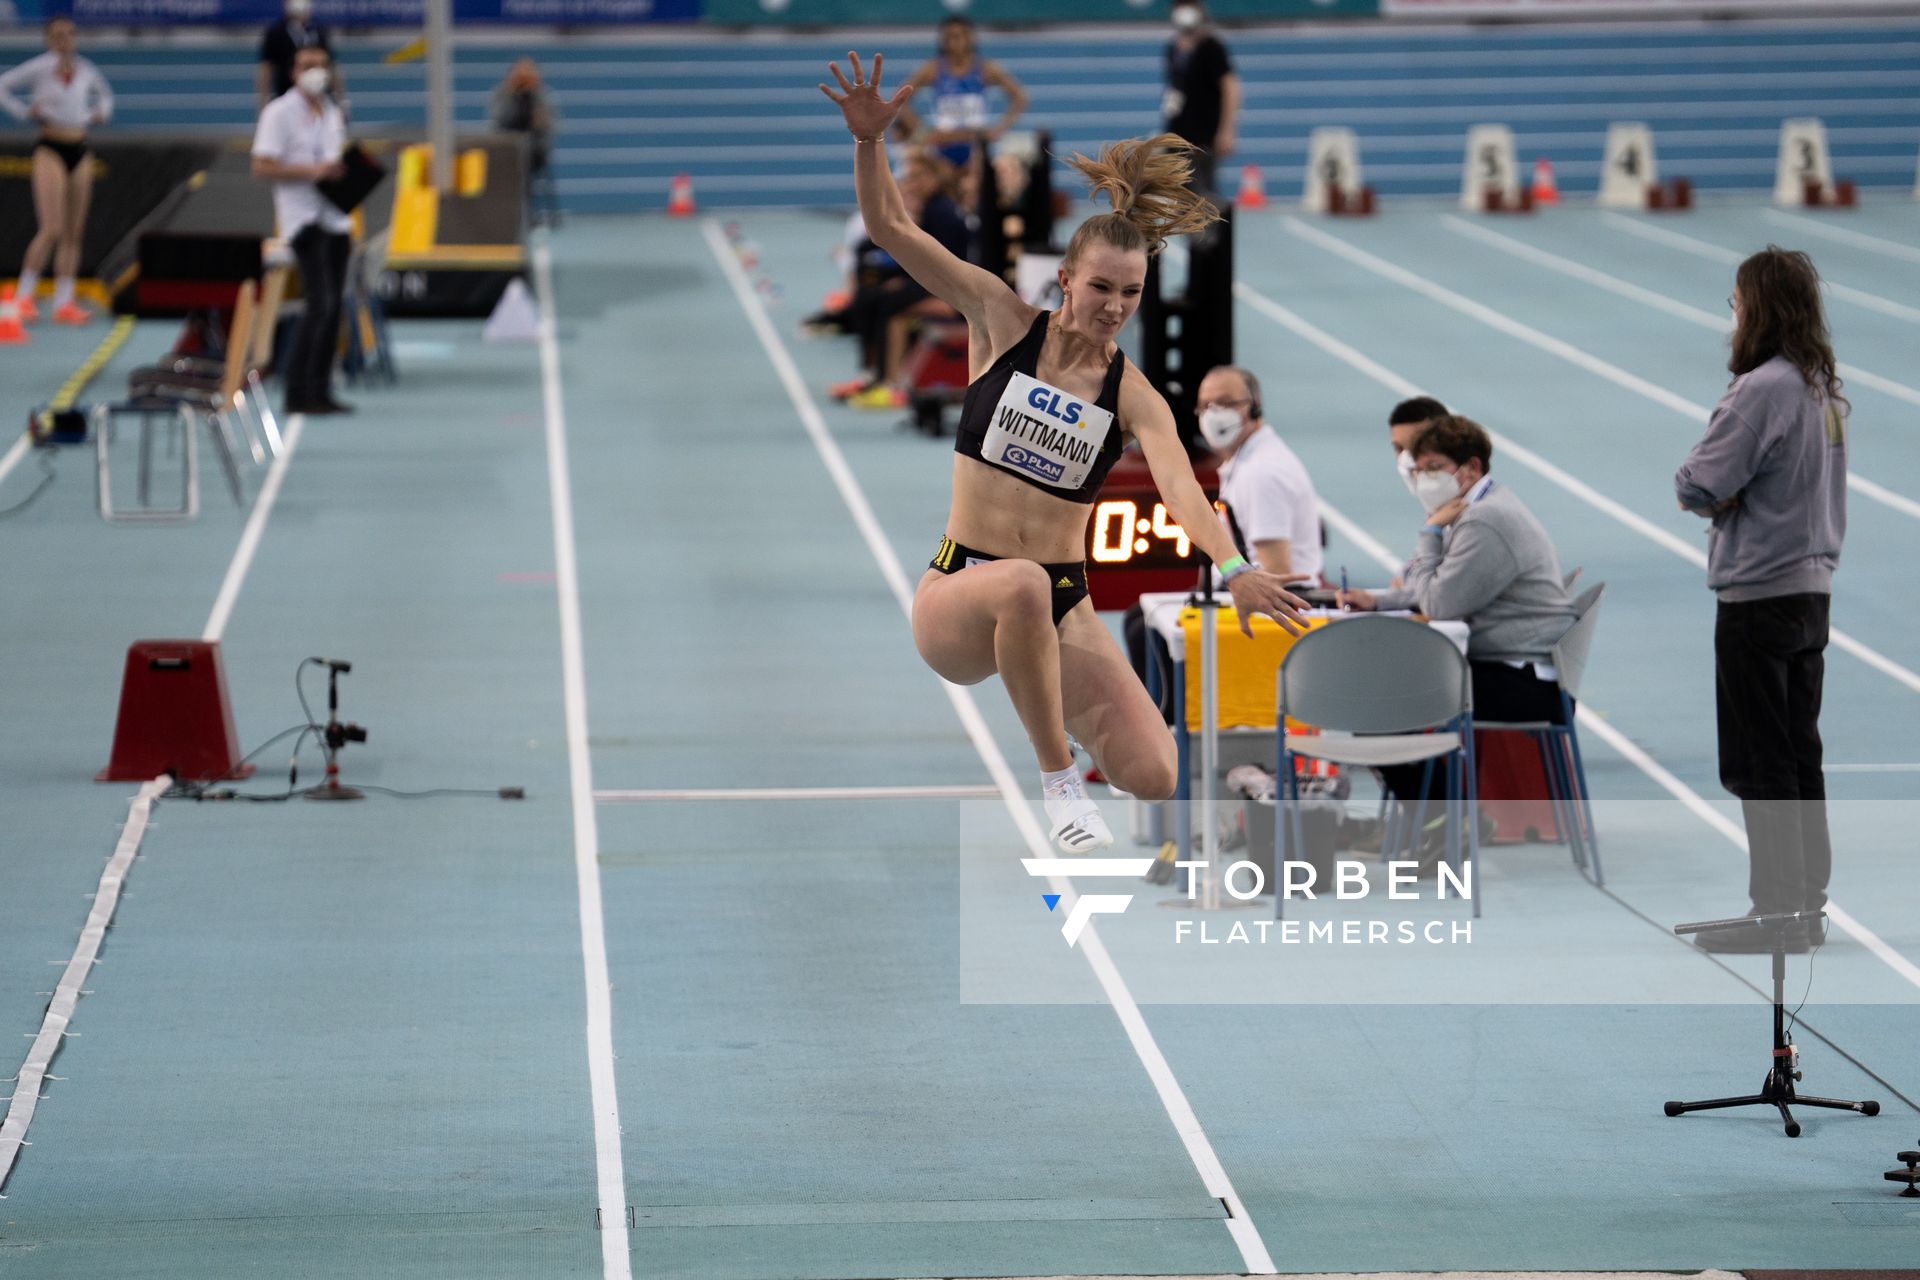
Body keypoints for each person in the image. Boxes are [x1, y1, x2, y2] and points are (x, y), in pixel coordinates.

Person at [821, 53, 1306, 854]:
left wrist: (1234, 566)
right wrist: (870, 143)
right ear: (1065, 282)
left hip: (1061, 601)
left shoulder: (1133, 394)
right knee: (1015, 584)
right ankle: (1057, 783)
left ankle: (1062, 715)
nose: (1115, 308)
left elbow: (1184, 491)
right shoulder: (1000, 321)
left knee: (1154, 772)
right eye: (1102, 288)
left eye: (1132, 293)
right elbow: (891, 228)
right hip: (962, 590)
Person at [1675, 246, 1847, 954]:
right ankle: (1804, 903)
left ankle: (1776, 911)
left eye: (1737, 302)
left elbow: (1697, 483)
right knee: (1799, 751)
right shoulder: (1822, 385)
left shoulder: (1761, 390)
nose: (1733, 315)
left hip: (1759, 592)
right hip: (1810, 591)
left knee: (1760, 759)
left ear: (1758, 309)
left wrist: (1724, 490)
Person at [1342, 416, 1575, 818]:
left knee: (1371, 699)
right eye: (1418, 470)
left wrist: (1429, 532)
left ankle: (1437, 820)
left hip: (1524, 683)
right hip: (1505, 666)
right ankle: (1437, 817)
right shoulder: (1480, 507)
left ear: (1471, 469)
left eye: (1434, 469)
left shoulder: (1486, 519)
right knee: (1384, 691)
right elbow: (1440, 587)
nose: (1422, 480)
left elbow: (1439, 604)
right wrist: (1379, 601)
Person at [252, 45, 353, 416]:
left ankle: (322, 389)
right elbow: (261, 166)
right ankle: (297, 390)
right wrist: (312, 173)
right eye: (308, 66)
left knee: (333, 307)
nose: (316, 72)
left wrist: (345, 172)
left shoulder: (331, 111)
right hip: (302, 218)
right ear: (294, 71)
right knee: (318, 304)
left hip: (336, 217)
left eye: (322, 65)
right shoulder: (278, 113)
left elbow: (333, 159)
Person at [831, 148, 971, 408]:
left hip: (954, 296)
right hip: (935, 285)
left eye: (919, 177)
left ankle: (891, 384)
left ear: (934, 177)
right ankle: (871, 374)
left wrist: (906, 283)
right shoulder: (929, 208)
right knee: (869, 298)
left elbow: (945, 267)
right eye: (910, 178)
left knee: (889, 305)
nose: (913, 183)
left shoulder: (943, 213)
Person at [0, 15, 113, 325]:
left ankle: (64, 301)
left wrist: (99, 113)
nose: (65, 39)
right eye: (58, 35)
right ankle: (23, 296)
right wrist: (24, 112)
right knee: (51, 227)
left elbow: (106, 96)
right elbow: (3, 86)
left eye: (70, 34)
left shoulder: (86, 69)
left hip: (80, 148)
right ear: (49, 40)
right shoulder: (39, 68)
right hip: (50, 149)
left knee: (73, 232)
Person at [1195, 365, 1322, 583]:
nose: (1214, 414)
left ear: (1254, 407)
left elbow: (1278, 577)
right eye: (1206, 406)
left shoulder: (1261, 474)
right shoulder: (1246, 462)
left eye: (1226, 403)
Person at [893, 16, 1028, 173]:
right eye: (950, 36)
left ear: (970, 38)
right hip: (944, 143)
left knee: (974, 190)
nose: (956, 41)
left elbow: (1019, 97)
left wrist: (999, 130)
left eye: (961, 35)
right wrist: (922, 133)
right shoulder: (933, 68)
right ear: (943, 40)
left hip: (974, 143)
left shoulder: (985, 68)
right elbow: (900, 100)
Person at [1162, 1, 1239, 196]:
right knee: (1176, 194)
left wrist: (1226, 131)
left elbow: (1231, 89)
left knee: (1203, 195)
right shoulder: (1173, 48)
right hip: (1177, 134)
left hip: (1204, 135)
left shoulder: (1212, 47)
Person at [492, 57, 556, 222]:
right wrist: (513, 95)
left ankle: (530, 213)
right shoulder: (503, 94)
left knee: (527, 164)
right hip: (509, 149)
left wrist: (534, 102)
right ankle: (518, 213)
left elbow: (550, 125)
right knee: (516, 162)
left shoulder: (541, 95)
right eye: (520, 76)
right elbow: (498, 122)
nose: (524, 81)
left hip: (535, 151)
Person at [257, 0, 342, 110]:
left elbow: (331, 65)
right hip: (286, 95)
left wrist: (341, 99)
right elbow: (265, 69)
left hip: (319, 97)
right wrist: (262, 103)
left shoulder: (319, 30)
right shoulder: (276, 32)